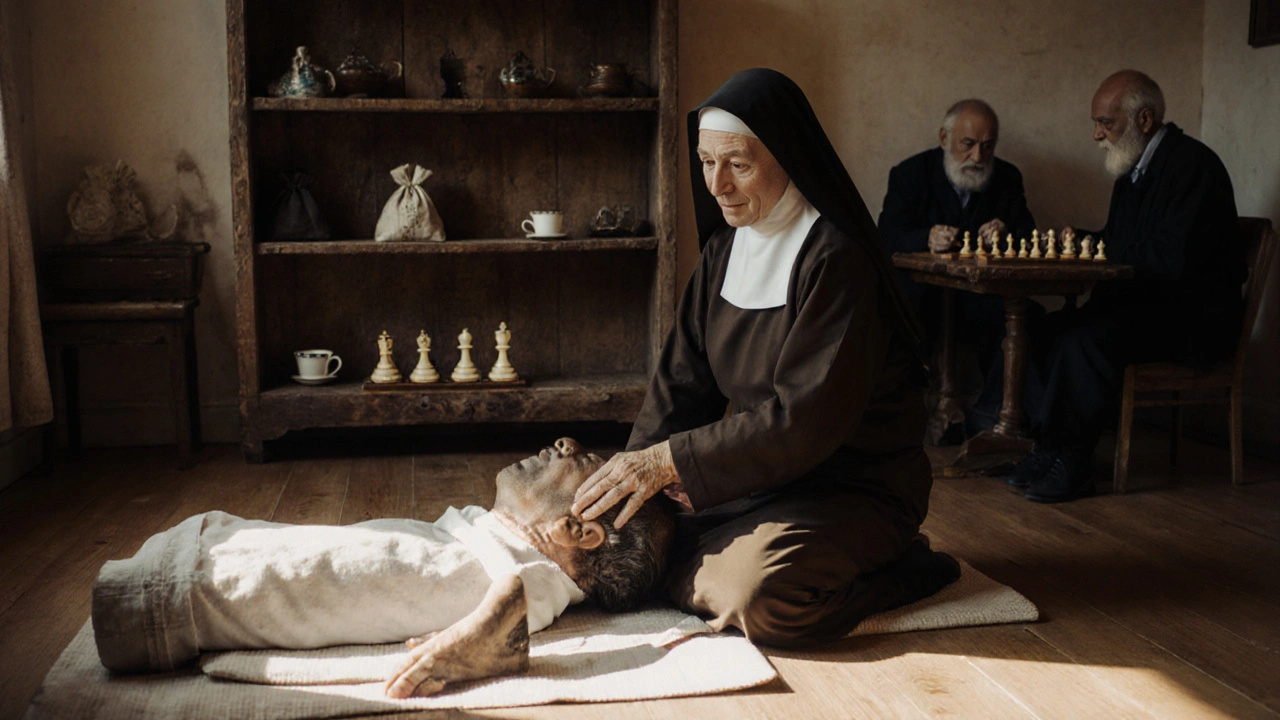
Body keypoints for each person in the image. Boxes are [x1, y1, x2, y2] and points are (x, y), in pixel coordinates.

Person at [572, 69, 960, 648]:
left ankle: (907, 570)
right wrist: (633, 487)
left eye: (739, 164)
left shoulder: (836, 262)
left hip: (855, 486)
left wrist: (668, 464)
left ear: (789, 157)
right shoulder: (725, 252)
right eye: (706, 162)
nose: (717, 185)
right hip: (759, 478)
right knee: (644, 556)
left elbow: (805, 420)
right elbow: (680, 387)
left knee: (761, 599)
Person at [91, 437, 675, 698]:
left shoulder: (516, 569)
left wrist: (500, 619)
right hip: (197, 558)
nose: (567, 443)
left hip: (172, 595)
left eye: (586, 463)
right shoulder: (494, 546)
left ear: (578, 531)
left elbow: (522, 591)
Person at [1000, 70, 1245, 502]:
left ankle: (1074, 464)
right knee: (1043, 330)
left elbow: (1172, 258)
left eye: (1105, 123)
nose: (1097, 135)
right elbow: (1123, 244)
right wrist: (1086, 242)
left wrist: (1103, 247)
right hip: (1147, 308)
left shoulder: (1193, 166)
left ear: (1144, 119)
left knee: (1085, 341)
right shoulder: (1133, 170)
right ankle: (1049, 448)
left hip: (1193, 319)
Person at [878, 100, 1037, 434]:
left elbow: (1030, 236)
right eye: (968, 145)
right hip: (924, 299)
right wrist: (926, 238)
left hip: (980, 299)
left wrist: (1005, 233)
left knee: (1029, 318)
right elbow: (886, 238)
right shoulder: (909, 174)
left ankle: (990, 415)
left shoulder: (1007, 177)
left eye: (988, 146)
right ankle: (901, 419)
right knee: (895, 313)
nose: (978, 157)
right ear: (944, 138)